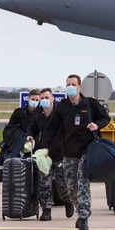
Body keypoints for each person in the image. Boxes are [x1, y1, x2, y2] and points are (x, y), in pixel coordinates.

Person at [40, 74, 110, 230]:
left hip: (86, 151)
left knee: (82, 183)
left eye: (73, 84)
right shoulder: (62, 107)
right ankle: (80, 208)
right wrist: (45, 147)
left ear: (79, 87)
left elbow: (106, 118)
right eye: (68, 84)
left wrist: (97, 125)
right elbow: (51, 129)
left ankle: (83, 217)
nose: (70, 87)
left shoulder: (90, 104)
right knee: (71, 188)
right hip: (68, 152)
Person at [26, 88, 73, 221]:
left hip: (58, 154)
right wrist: (29, 135)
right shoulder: (38, 115)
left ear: (52, 99)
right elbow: (32, 128)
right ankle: (46, 210)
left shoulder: (59, 114)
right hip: (43, 155)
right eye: (42, 98)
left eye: (47, 97)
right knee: (44, 183)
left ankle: (67, 201)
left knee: (61, 184)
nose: (45, 101)